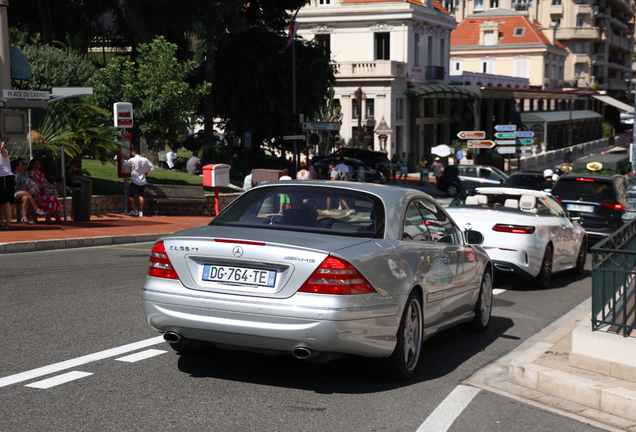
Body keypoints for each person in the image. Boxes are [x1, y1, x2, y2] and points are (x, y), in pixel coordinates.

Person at [123, 146, 155, 217]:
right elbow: (152, 167)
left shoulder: (132, 160)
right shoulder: (145, 159)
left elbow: (125, 165)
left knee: (130, 195)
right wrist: (146, 173)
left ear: (133, 152)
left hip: (135, 180)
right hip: (143, 180)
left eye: (132, 152)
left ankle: (134, 211)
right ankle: (141, 211)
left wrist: (125, 160)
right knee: (141, 196)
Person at [28, 158, 62, 224]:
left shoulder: (41, 173)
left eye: (39, 163)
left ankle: (57, 216)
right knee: (50, 198)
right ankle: (48, 217)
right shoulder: (31, 173)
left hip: (43, 191)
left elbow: (46, 182)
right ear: (32, 165)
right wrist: (49, 187)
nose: (39, 165)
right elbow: (38, 184)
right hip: (36, 191)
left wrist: (52, 186)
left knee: (54, 198)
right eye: (37, 163)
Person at [12, 157, 46, 223]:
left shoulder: (19, 173)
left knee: (26, 198)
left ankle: (25, 216)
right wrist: (21, 186)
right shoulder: (12, 175)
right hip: (14, 193)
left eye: (25, 164)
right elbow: (11, 187)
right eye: (22, 164)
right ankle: (36, 209)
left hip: (21, 191)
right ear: (17, 166)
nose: (23, 166)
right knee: (27, 193)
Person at [0, 141, 14, 230]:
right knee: (0, 203)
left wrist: (2, 147)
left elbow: (3, 153)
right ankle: (0, 224)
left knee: (6, 202)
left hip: (5, 177)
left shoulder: (4, 152)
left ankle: (8, 224)